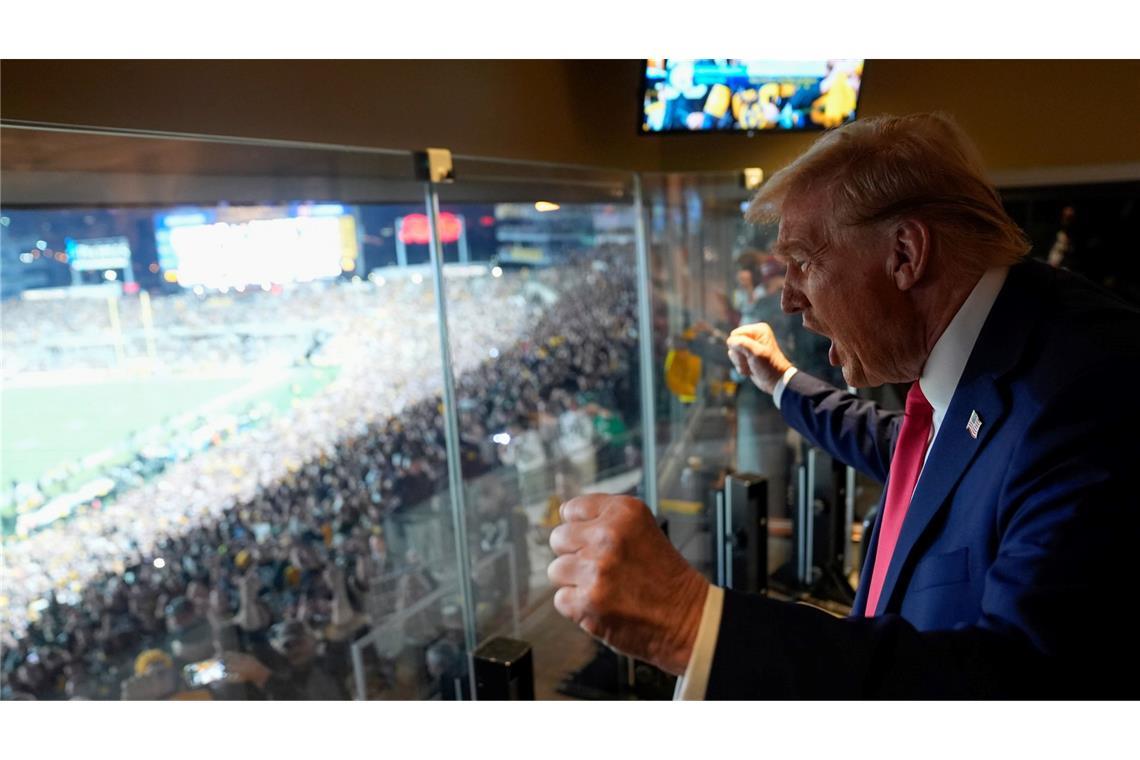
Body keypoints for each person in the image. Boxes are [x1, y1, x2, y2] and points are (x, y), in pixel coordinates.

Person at [547, 112, 1140, 698]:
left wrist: (690, 624)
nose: (787, 299)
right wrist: (782, 381)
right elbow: (918, 456)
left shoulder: (1091, 393)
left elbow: (1023, 686)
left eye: (803, 261)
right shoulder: (1000, 344)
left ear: (905, 254)